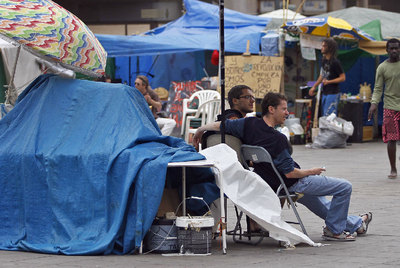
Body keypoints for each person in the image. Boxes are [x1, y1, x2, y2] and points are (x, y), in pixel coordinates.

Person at [193, 92, 372, 241]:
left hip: (271, 183)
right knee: (344, 187)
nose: (287, 113)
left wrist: (200, 130)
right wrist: (312, 171)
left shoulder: (249, 124)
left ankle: (358, 223)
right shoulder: (278, 139)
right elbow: (291, 174)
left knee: (325, 207)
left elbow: (221, 125)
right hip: (292, 184)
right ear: (271, 109)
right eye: (284, 109)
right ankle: (334, 232)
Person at [368, 38, 400, 179]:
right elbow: (378, 88)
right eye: (391, 48)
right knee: (391, 139)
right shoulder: (382, 68)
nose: (394, 51)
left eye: (396, 48)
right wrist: (374, 103)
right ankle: (393, 168)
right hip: (390, 107)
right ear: (386, 50)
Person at [309, 38, 345, 116]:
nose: (322, 48)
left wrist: (329, 82)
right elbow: (322, 75)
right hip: (325, 92)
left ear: (330, 48)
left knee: (329, 115)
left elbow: (342, 78)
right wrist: (314, 86)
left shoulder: (335, 62)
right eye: (322, 46)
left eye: (324, 46)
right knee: (324, 116)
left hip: (333, 93)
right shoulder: (324, 60)